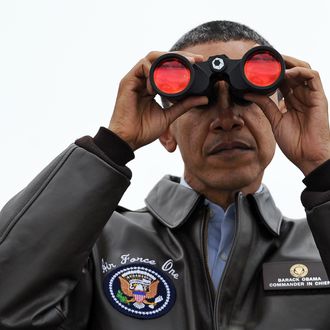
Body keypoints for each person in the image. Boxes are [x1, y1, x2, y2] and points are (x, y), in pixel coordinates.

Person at [1, 20, 330, 330]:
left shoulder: (318, 246)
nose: (228, 119)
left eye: (247, 98)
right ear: (166, 133)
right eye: (202, 102)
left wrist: (323, 170)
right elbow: (10, 303)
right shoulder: (97, 241)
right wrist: (112, 145)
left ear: (281, 115)